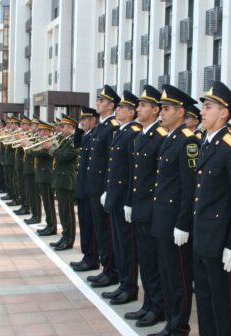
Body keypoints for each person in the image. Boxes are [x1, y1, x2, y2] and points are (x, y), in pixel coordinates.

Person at [147, 84, 200, 336]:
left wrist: (183, 223)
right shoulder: (171, 138)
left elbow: (189, 189)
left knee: (178, 277)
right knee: (167, 274)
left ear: (180, 112)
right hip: (162, 219)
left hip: (174, 222)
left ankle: (179, 326)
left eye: (166, 109)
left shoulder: (188, 141)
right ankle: (171, 321)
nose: (161, 113)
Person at [193, 81, 231, 336]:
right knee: (203, 297)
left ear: (224, 113)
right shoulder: (207, 141)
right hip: (202, 235)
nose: (202, 111)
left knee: (221, 302)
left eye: (208, 107)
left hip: (220, 238)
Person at [124, 85, 167, 327]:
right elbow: (135, 174)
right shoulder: (142, 135)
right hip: (140, 208)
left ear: (155, 110)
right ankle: (148, 303)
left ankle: (157, 307)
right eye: (138, 105)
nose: (138, 109)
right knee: (145, 261)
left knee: (154, 262)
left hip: (153, 210)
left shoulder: (160, 137)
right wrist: (130, 202)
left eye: (142, 105)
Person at [101, 91, 142, 304]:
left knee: (127, 245)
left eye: (121, 108)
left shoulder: (133, 133)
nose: (117, 110)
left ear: (131, 112)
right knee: (118, 243)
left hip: (124, 197)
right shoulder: (120, 132)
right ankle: (123, 283)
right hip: (114, 197)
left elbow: (131, 172)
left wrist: (128, 201)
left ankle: (130, 286)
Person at [87, 85, 121, 288]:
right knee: (100, 230)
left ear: (110, 105)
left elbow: (111, 161)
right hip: (94, 187)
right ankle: (105, 268)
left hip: (102, 188)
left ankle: (111, 271)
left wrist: (107, 189)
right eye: (98, 100)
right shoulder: (100, 126)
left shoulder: (112, 127)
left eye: (101, 101)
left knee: (106, 232)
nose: (97, 103)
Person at [71, 107, 101, 272]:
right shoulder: (87, 135)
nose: (82, 121)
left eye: (86, 119)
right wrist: (78, 129)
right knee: (84, 223)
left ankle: (92, 258)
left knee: (90, 225)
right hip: (83, 186)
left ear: (93, 120)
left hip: (90, 188)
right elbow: (77, 143)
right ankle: (87, 255)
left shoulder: (94, 135)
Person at [48, 115, 79, 251]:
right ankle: (65, 236)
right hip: (61, 179)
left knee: (67, 212)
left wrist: (50, 148)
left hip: (67, 180)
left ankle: (69, 240)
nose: (61, 129)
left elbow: (63, 157)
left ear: (71, 128)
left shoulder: (72, 142)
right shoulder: (64, 140)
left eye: (64, 126)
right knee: (62, 211)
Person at [26, 120, 57, 236]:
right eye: (40, 130)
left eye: (43, 130)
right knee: (46, 202)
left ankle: (52, 227)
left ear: (49, 132)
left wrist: (28, 146)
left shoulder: (51, 142)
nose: (40, 133)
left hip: (47, 176)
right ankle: (49, 225)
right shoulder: (43, 142)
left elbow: (38, 153)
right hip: (42, 175)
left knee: (49, 203)